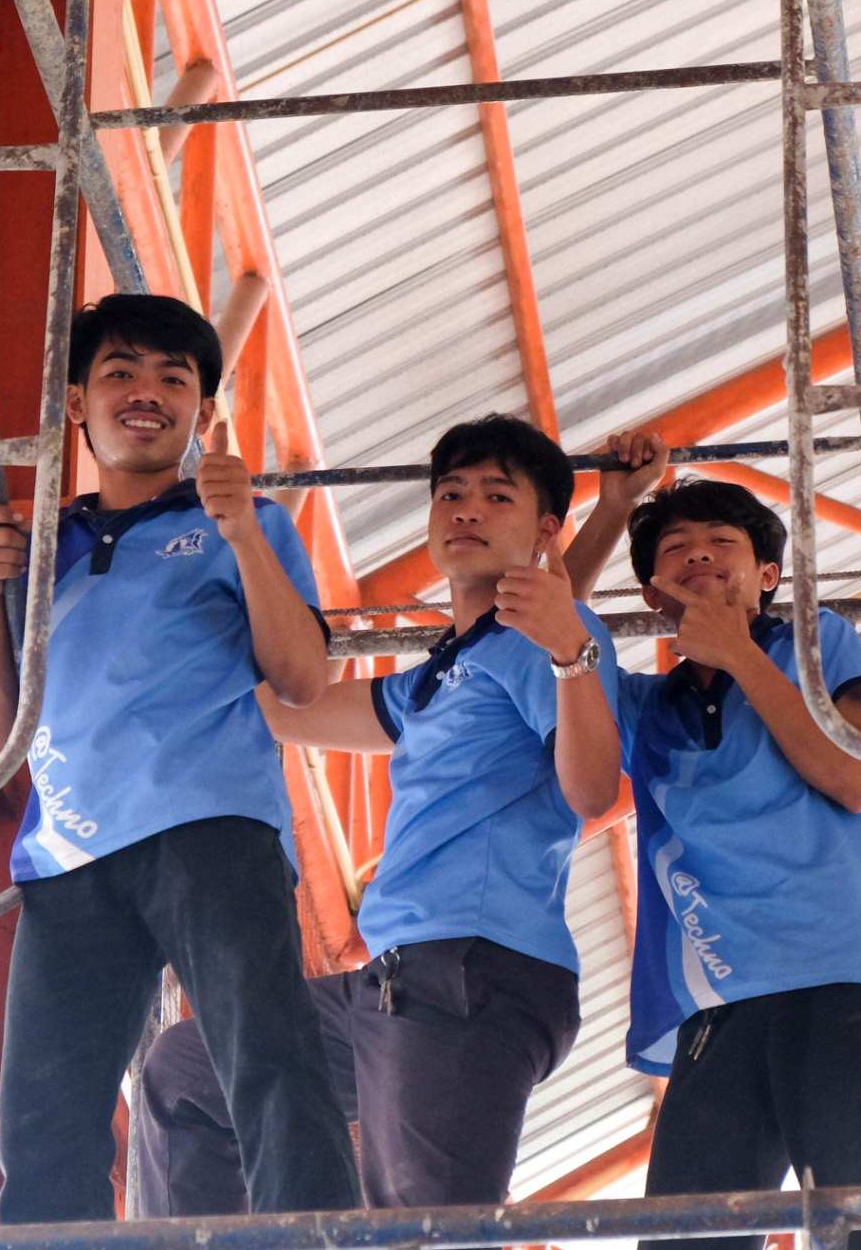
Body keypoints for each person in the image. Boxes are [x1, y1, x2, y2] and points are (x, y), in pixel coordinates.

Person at [134, 414, 622, 1214]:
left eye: (495, 494)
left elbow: (593, 791)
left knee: (417, 1219)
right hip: (389, 980)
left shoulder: (543, 643)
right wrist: (226, 552)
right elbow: (285, 710)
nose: (465, 507)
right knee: (186, 1073)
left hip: (471, 970)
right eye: (451, 492)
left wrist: (573, 650)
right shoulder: (437, 677)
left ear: (544, 531)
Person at [0, 292, 360, 1225]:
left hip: (208, 829)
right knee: (45, 1127)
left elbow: (299, 677)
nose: (147, 392)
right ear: (76, 401)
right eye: (121, 373)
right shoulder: (34, 548)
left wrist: (243, 531)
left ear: (203, 412)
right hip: (66, 856)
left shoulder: (244, 518)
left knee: (268, 1060)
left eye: (174, 378)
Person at [565, 437, 861, 1250]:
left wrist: (735, 652)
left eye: (722, 544)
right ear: (654, 592)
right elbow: (549, 624)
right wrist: (616, 505)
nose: (698, 554)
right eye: (675, 549)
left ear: (768, 575)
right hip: (717, 1004)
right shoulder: (642, 705)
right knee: (687, 1239)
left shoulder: (819, 639)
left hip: (842, 984)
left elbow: (853, 774)